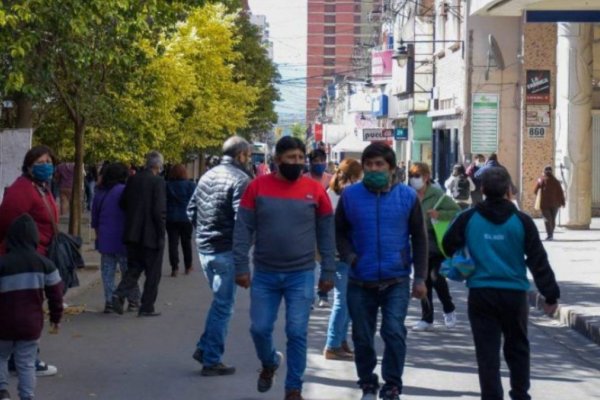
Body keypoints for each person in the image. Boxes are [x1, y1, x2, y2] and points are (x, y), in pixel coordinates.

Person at [442, 166, 560, 400]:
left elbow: (447, 244)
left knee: (487, 353)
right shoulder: (522, 221)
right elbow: (538, 260)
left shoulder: (468, 218)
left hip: (480, 293)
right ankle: (520, 394)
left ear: (483, 189)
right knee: (518, 348)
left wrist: (467, 252)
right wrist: (551, 295)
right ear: (508, 190)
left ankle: (491, 396)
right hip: (514, 295)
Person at [234, 136, 335, 400]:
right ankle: (269, 362)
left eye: (301, 159)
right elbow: (243, 228)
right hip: (265, 273)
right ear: (278, 160)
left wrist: (327, 271)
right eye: (291, 158)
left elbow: (326, 232)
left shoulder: (316, 190)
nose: (297, 163)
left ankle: (293, 388)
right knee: (259, 328)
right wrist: (241, 265)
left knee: (296, 331)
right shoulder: (257, 187)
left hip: (301, 274)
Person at [336, 143, 428, 400]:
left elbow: (420, 239)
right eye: (369, 165)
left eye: (380, 165)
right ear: (363, 167)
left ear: (391, 168)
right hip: (360, 280)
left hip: (395, 279)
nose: (374, 169)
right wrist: (349, 256)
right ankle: (367, 382)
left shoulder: (407, 197)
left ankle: (392, 385)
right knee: (362, 336)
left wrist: (420, 277)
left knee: (393, 331)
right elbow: (340, 231)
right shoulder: (350, 196)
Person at [187, 136, 252, 376]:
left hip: (205, 248)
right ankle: (211, 358)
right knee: (224, 306)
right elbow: (241, 220)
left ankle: (205, 349)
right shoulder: (241, 179)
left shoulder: (207, 175)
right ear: (241, 155)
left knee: (219, 303)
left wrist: (203, 233)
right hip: (225, 250)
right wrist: (244, 252)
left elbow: (191, 209)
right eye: (248, 154)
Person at [0, 145, 60, 377]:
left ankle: (22, 357)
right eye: (40, 162)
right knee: (26, 308)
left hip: (37, 255)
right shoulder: (22, 190)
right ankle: (26, 359)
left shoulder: (39, 187)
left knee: (26, 307)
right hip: (23, 260)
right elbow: (6, 222)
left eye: (48, 161)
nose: (46, 165)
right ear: (29, 165)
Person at [0, 214, 64, 400]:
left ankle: (2, 392)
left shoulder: (2, 263)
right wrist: (56, 318)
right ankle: (27, 396)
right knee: (26, 363)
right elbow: (56, 295)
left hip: (3, 322)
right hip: (31, 323)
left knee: (1, 357)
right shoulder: (46, 264)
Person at [112, 151, 166, 317]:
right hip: (151, 235)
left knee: (134, 267)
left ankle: (119, 293)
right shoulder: (158, 182)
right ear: (157, 165)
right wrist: (161, 232)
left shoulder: (133, 179)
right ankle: (147, 306)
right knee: (153, 272)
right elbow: (159, 211)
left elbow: (123, 203)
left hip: (132, 233)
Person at [409, 162, 460, 332]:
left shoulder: (437, 195)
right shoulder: (409, 195)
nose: (414, 180)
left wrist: (439, 214)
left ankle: (449, 308)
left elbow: (456, 211)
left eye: (418, 176)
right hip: (417, 244)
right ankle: (427, 318)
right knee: (423, 282)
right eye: (412, 176)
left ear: (426, 177)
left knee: (437, 278)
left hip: (436, 243)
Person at [324, 158, 362, 361]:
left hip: (341, 253)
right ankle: (332, 344)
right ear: (355, 176)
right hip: (340, 254)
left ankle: (340, 340)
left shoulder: (334, 192)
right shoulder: (343, 195)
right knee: (342, 301)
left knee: (347, 300)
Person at [91, 163, 140, 313]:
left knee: (107, 272)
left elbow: (95, 218)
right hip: (124, 239)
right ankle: (133, 300)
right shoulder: (126, 191)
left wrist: (99, 236)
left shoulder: (100, 193)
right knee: (128, 271)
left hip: (106, 238)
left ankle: (110, 301)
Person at [304, 149, 333, 308]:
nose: (319, 163)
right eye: (316, 161)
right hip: (308, 225)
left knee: (324, 260)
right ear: (310, 162)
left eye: (322, 160)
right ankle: (308, 296)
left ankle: (323, 294)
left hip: (326, 224)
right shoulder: (303, 180)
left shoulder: (331, 179)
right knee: (309, 262)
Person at [166, 164, 196, 277]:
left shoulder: (167, 185)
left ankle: (174, 268)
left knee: (172, 243)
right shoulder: (191, 185)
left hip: (171, 217)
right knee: (186, 242)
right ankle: (188, 266)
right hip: (186, 217)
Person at [534, 166, 565, 241]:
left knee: (547, 219)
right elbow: (561, 192)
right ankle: (551, 234)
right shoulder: (556, 181)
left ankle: (550, 235)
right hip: (555, 204)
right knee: (552, 219)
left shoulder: (541, 180)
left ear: (544, 172)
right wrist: (563, 202)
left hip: (545, 204)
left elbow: (535, 191)